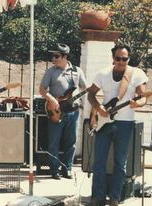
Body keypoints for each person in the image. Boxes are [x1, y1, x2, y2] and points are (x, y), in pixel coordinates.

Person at [87, 44, 148, 206]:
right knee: (98, 162)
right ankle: (98, 197)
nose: (121, 62)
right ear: (112, 58)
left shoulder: (136, 74)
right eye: (118, 58)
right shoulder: (103, 73)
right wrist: (98, 108)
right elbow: (91, 94)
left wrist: (139, 104)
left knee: (120, 164)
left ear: (129, 59)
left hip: (125, 123)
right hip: (104, 123)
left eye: (125, 59)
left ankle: (115, 198)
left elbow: (143, 97)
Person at [39, 43, 87, 180]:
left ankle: (68, 169)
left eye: (56, 56)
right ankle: (54, 170)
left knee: (71, 142)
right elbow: (42, 90)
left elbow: (85, 87)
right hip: (56, 111)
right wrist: (52, 99)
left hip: (73, 112)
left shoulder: (77, 71)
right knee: (53, 142)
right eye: (52, 56)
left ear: (65, 57)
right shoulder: (51, 72)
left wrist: (78, 94)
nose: (53, 59)